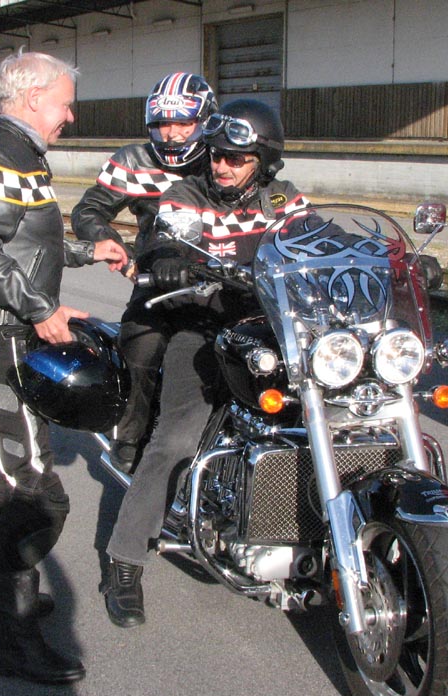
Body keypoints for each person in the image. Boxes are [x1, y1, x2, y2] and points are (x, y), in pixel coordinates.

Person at [0, 49, 128, 684]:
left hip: (7, 325)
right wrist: (41, 307)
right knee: (35, 488)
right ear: (31, 98)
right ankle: (13, 639)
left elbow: (25, 240)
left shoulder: (15, 150)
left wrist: (83, 252)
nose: (70, 116)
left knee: (1, 472)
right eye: (64, 103)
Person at [101, 99, 311, 627]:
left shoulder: (283, 199)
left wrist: (387, 258)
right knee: (176, 439)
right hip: (203, 329)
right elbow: (167, 236)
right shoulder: (187, 194)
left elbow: (317, 238)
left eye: (236, 158)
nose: (222, 166)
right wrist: (171, 260)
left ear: (263, 161)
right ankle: (124, 562)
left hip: (274, 332)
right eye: (217, 155)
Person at [71, 72, 217, 473]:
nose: (171, 133)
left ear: (206, 120)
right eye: (162, 123)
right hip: (158, 280)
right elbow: (88, 210)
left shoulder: (223, 157)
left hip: (225, 280)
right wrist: (114, 247)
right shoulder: (133, 160)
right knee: (140, 345)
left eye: (183, 122)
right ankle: (129, 437)